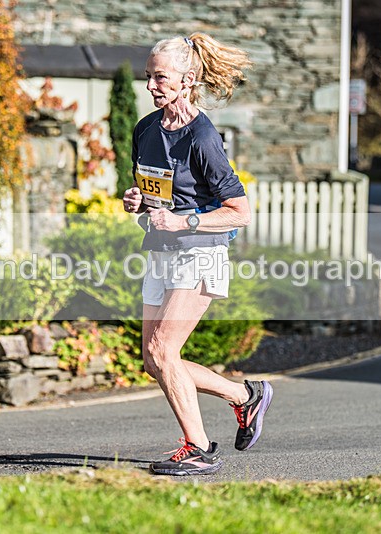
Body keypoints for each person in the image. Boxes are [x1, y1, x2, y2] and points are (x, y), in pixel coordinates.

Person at [122, 33, 273, 476]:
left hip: (201, 252)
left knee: (164, 350)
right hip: (162, 250)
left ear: (188, 80)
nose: (151, 85)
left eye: (160, 77)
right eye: (149, 77)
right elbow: (157, 199)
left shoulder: (203, 136)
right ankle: (245, 397)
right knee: (154, 360)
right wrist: (136, 202)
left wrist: (186, 221)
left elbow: (240, 213)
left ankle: (200, 447)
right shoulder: (146, 130)